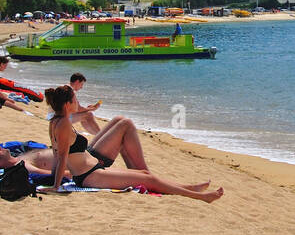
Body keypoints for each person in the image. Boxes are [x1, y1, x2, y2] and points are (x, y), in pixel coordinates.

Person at [32, 86, 222, 201]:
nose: (77, 102)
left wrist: (55, 180)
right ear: (67, 104)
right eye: (75, 99)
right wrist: (56, 185)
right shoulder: (63, 124)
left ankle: (188, 188)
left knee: (144, 174)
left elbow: (59, 153)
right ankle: (200, 197)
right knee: (147, 179)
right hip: (89, 176)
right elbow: (62, 155)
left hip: (92, 170)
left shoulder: (56, 121)